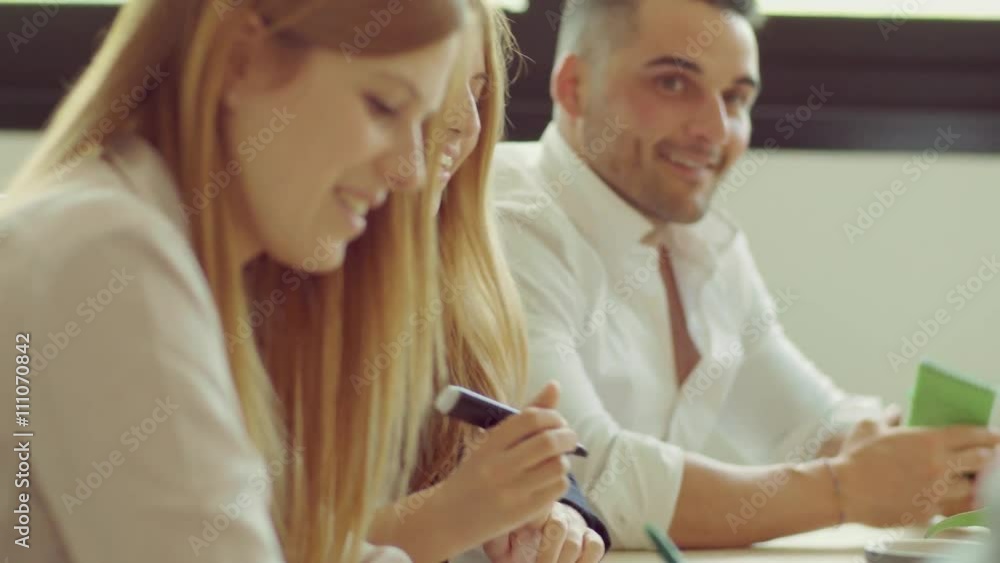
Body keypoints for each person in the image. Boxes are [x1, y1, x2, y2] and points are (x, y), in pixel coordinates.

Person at [490, 0, 1000, 549]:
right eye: (673, 83)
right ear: (573, 87)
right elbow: (579, 479)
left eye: (735, 98)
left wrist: (927, 458)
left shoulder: (702, 242)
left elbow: (802, 426)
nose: (715, 128)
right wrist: (846, 489)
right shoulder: (507, 222)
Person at [0, 1, 470, 562]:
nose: (411, 170)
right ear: (241, 57)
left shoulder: (168, 254)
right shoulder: (106, 258)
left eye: (423, 124)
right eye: (384, 105)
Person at [368, 4, 608, 563]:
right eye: (435, 88)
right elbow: (265, 538)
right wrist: (452, 516)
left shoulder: (456, 281)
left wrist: (557, 508)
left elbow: (500, 457)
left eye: (476, 93)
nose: (466, 124)